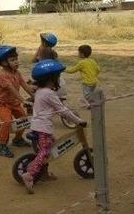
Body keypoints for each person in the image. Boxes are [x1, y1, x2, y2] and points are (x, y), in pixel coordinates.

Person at [21, 60, 87, 194]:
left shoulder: (41, 91)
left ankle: (44, 173)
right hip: (43, 128)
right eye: (57, 77)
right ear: (51, 79)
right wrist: (78, 121)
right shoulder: (49, 94)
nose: (58, 79)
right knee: (45, 151)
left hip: (39, 127)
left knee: (51, 147)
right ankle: (30, 174)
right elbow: (63, 110)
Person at [0, 45, 34, 157]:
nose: (16, 62)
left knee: (24, 120)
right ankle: (1, 147)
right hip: (1, 103)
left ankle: (18, 139)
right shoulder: (3, 75)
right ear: (4, 63)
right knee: (7, 121)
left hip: (13, 103)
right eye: (12, 60)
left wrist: (34, 95)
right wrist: (23, 100)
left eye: (16, 59)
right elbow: (12, 90)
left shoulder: (17, 73)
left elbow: (24, 85)